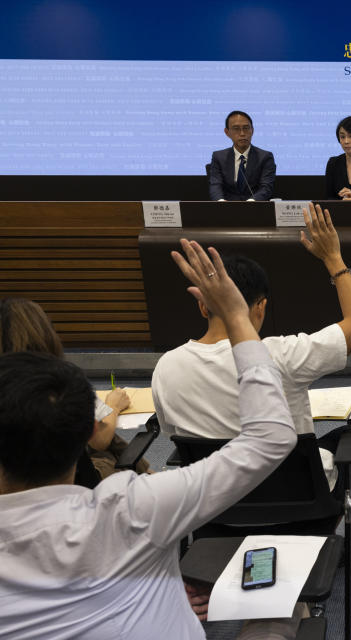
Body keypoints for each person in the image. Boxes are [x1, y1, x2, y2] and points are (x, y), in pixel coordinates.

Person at [0, 237, 303, 638]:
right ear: (92, 429)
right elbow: (270, 439)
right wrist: (236, 316)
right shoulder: (134, 510)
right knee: (280, 611)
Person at [152, 203, 351, 502]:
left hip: (214, 507)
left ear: (202, 305)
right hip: (296, 502)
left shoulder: (166, 367)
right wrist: (333, 258)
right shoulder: (280, 355)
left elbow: (176, 438)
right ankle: (327, 528)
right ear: (261, 307)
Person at [0, 297, 149, 483]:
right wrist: (113, 407)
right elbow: (99, 439)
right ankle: (147, 478)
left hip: (15, 479)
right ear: (45, 334)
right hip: (70, 481)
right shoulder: (60, 382)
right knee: (110, 444)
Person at [208, 110, 276, 201]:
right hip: (226, 209)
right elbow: (215, 185)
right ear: (227, 132)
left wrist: (251, 202)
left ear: (252, 130)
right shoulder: (219, 157)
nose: (242, 133)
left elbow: (266, 187)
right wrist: (221, 202)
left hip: (255, 209)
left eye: (246, 128)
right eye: (236, 129)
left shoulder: (265, 157)